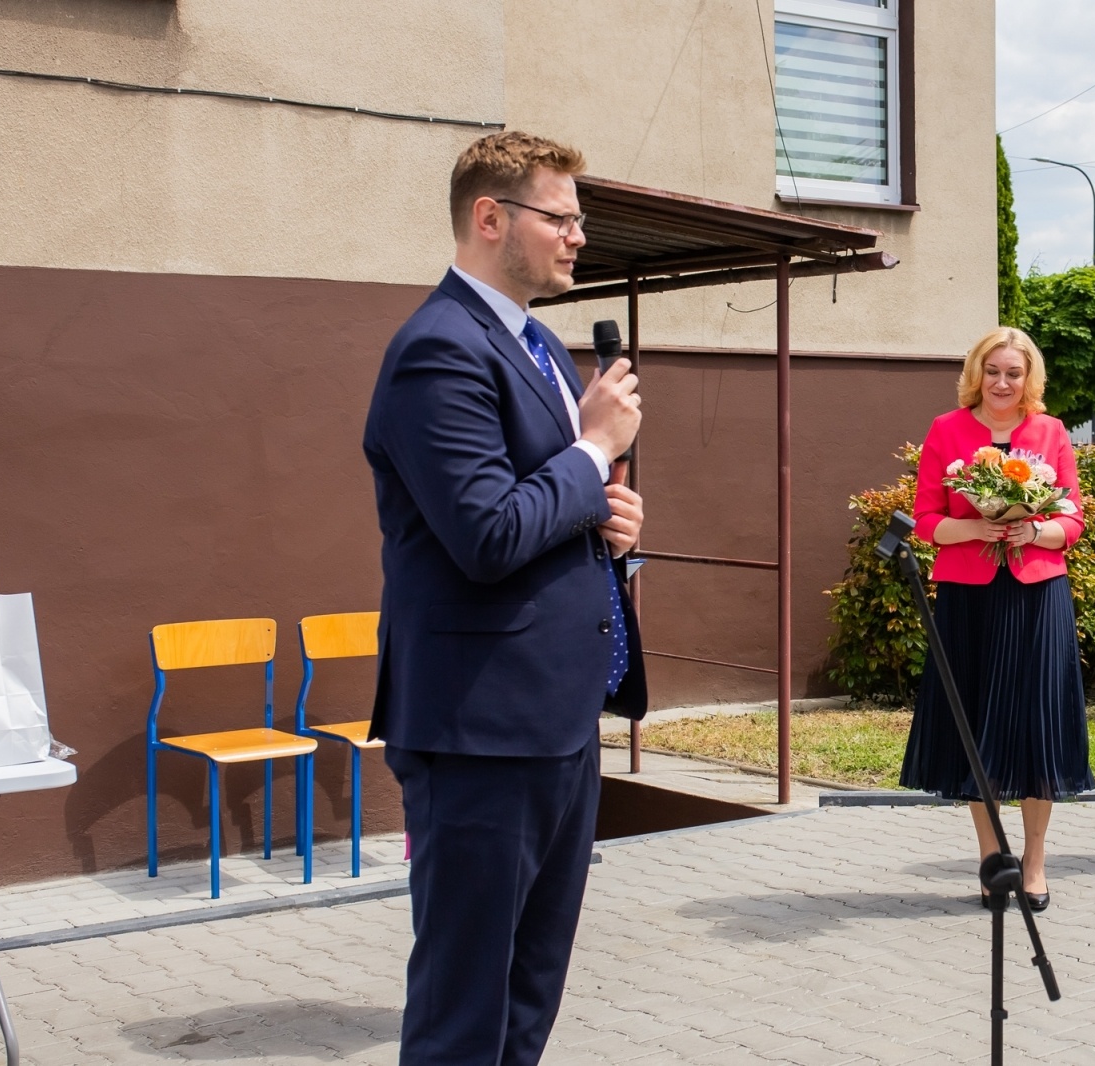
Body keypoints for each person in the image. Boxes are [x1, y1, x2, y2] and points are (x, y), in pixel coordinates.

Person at [363, 130, 648, 1065]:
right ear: (491, 218)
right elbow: (485, 535)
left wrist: (608, 529)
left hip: (554, 720)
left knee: (529, 992)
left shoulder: (534, 344)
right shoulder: (438, 351)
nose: (577, 237)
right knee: (464, 1009)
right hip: (478, 728)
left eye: (578, 220)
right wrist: (595, 451)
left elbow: (543, 506)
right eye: (559, 218)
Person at [899, 327, 1095, 911]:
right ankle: (993, 860)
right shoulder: (947, 430)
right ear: (976, 374)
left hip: (1037, 597)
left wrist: (1036, 529)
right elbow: (927, 518)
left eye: (1014, 372)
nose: (1003, 383)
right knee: (973, 731)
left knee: (1038, 731)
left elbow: (1075, 521)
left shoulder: (1052, 432)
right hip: (969, 598)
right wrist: (975, 528)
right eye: (993, 371)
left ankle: (1033, 864)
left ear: (1029, 377)